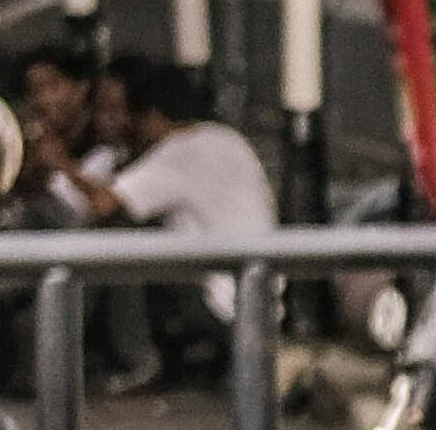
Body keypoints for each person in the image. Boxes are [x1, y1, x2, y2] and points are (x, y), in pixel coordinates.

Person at [62, 60, 278, 380]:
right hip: (259, 298)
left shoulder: (180, 150)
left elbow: (104, 204)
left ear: (152, 116)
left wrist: (60, 164)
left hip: (219, 303)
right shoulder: (225, 138)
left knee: (123, 239)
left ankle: (136, 362)